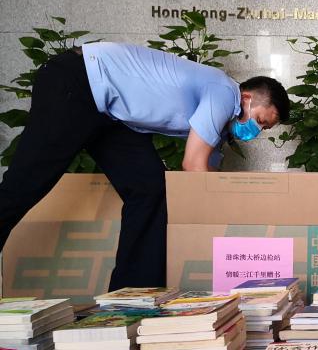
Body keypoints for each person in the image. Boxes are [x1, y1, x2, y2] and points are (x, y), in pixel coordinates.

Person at [0, 42, 289, 291]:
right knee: (26, 184)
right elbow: (193, 166)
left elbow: (205, 183)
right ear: (246, 98)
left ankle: (131, 297)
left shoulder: (221, 125)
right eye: (260, 121)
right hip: (79, 80)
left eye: (264, 129)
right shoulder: (224, 92)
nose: (257, 130)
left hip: (112, 115)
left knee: (150, 188)